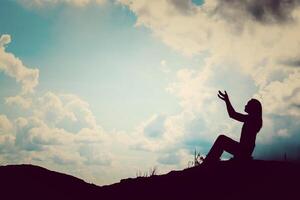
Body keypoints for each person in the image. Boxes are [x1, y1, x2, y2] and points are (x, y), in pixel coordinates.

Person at [203, 90, 263, 164]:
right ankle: (210, 162)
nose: (245, 105)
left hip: (243, 151)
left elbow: (232, 114)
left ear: (253, 108)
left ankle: (208, 163)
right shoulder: (254, 119)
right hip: (245, 150)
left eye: (248, 104)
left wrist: (227, 100)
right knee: (222, 139)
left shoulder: (252, 119)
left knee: (221, 139)